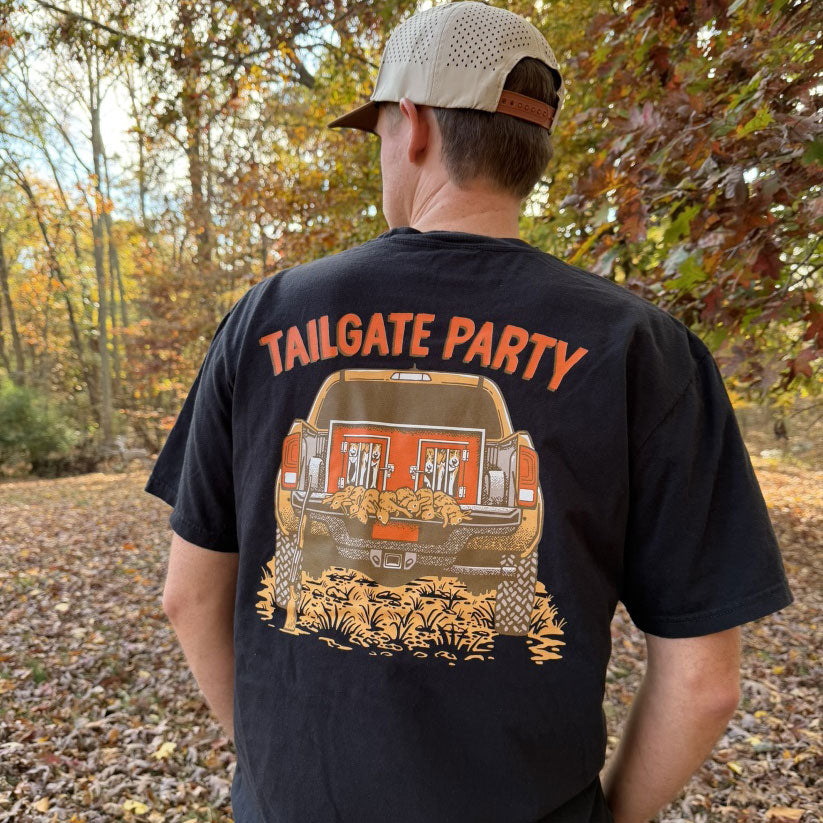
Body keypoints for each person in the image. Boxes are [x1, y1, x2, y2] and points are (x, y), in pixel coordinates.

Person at [144, 2, 793, 821]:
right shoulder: (640, 348)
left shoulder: (265, 319)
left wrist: (273, 777)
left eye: (380, 131)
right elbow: (703, 682)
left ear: (413, 125)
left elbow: (189, 596)